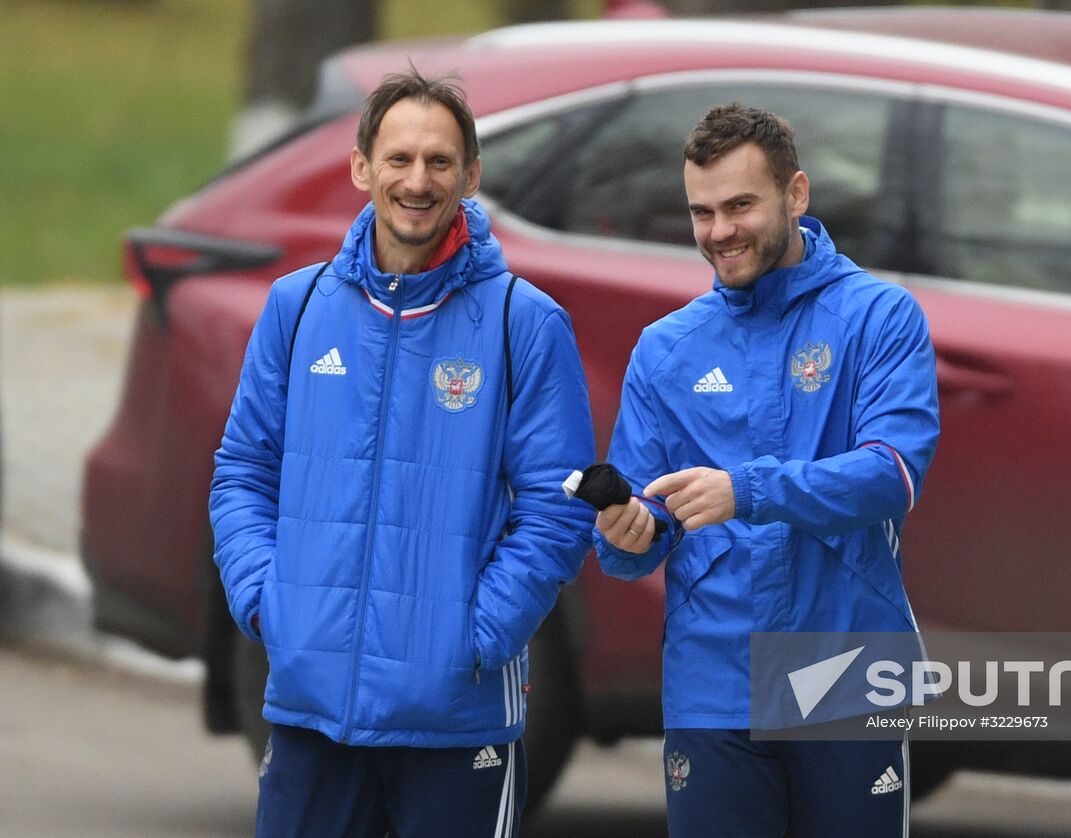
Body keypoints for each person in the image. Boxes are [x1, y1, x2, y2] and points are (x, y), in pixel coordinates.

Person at [210, 69, 595, 837]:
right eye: (399, 159)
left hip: (457, 716)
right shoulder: (297, 307)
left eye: (440, 162)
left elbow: (561, 506)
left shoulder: (525, 322)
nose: (418, 181)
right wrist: (268, 600)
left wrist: (479, 634)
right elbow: (243, 472)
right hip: (312, 707)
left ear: (471, 175)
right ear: (362, 168)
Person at [592, 104, 940, 837]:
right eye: (702, 212)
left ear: (796, 194)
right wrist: (629, 532)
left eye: (740, 205)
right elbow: (642, 526)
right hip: (713, 683)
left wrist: (745, 490)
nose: (720, 232)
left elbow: (891, 475)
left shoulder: (880, 316)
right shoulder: (665, 348)